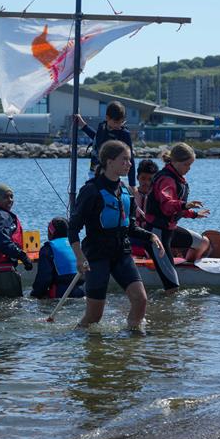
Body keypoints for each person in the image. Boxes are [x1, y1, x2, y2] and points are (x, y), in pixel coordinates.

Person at [68, 140, 165, 329]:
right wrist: (79, 258)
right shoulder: (91, 190)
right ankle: (81, 341)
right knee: (94, 316)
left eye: (130, 160)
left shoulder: (126, 191)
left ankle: (133, 338)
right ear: (109, 162)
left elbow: (130, 227)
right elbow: (73, 228)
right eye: (125, 160)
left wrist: (151, 237)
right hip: (97, 254)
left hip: (122, 252)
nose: (129, 164)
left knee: (140, 300)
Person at [143, 143, 210, 293]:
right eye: (186, 164)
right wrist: (185, 205)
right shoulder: (166, 180)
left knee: (203, 243)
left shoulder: (178, 178)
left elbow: (177, 209)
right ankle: (169, 279)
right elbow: (167, 206)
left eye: (190, 164)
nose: (189, 168)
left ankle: (186, 269)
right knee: (172, 288)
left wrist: (193, 214)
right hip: (156, 235)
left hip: (170, 231)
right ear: (174, 162)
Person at [135, 158, 210, 263]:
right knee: (153, 248)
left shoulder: (159, 196)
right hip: (141, 235)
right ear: (137, 177)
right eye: (143, 178)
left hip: (163, 231)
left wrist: (194, 214)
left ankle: (187, 265)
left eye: (150, 179)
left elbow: (174, 208)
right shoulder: (130, 195)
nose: (146, 182)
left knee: (204, 242)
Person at [74, 101, 137, 190]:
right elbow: (96, 138)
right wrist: (83, 126)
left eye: (121, 122)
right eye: (116, 122)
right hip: (94, 170)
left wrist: (132, 184)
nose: (118, 125)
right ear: (107, 118)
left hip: (111, 173)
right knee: (92, 192)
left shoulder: (124, 134)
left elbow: (131, 159)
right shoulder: (102, 127)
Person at [30, 217, 85, 299]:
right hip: (83, 291)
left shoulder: (48, 249)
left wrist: (34, 294)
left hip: (61, 293)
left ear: (51, 232)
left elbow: (44, 279)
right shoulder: (76, 246)